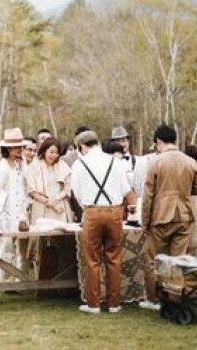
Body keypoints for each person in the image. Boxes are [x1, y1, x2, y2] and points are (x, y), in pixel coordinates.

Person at [140, 124, 197, 311]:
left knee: (153, 260)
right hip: (184, 215)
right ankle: (175, 299)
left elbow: (148, 197)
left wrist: (145, 221)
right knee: (179, 260)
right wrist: (183, 192)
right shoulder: (190, 161)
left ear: (159, 142)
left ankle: (153, 299)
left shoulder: (156, 162)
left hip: (161, 217)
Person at [71, 130, 136, 314]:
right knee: (114, 258)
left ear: (82, 146)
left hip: (92, 212)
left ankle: (93, 304)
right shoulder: (115, 162)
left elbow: (77, 193)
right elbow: (125, 189)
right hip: (114, 212)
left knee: (92, 260)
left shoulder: (79, 164)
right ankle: (114, 303)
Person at [25, 137, 74, 279]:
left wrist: (57, 199)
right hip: (42, 208)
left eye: (56, 152)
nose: (53, 155)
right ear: (44, 150)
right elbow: (32, 191)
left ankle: (62, 277)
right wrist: (49, 202)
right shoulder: (34, 167)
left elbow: (68, 188)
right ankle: (40, 278)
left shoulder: (63, 166)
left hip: (60, 207)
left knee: (61, 241)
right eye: (51, 152)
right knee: (41, 243)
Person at [0, 128, 29, 282]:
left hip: (19, 214)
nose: (20, 150)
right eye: (17, 148)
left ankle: (20, 278)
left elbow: (22, 190)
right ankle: (5, 280)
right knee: (6, 248)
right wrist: (0, 216)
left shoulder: (19, 166)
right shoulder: (1, 168)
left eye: (21, 147)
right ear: (8, 149)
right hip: (5, 215)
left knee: (20, 250)